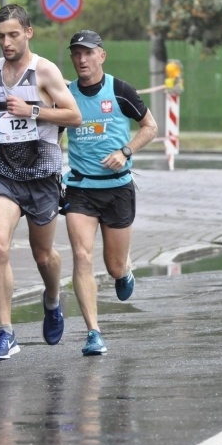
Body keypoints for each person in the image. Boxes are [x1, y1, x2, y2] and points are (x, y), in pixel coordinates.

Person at [0, 4, 82, 362]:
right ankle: (6, 332)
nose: (6, 42)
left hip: (43, 174)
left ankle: (52, 299)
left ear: (28, 33)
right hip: (2, 171)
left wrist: (32, 110)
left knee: (43, 255)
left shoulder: (45, 71)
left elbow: (74, 115)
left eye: (13, 34)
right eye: (1, 35)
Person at [63, 30, 157, 356]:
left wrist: (126, 152)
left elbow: (151, 127)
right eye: (76, 53)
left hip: (117, 189)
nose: (82, 59)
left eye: (88, 53)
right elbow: (49, 130)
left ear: (102, 55)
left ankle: (124, 270)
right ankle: (93, 332)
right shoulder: (66, 94)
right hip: (79, 187)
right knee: (81, 255)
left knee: (114, 266)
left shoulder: (120, 90)